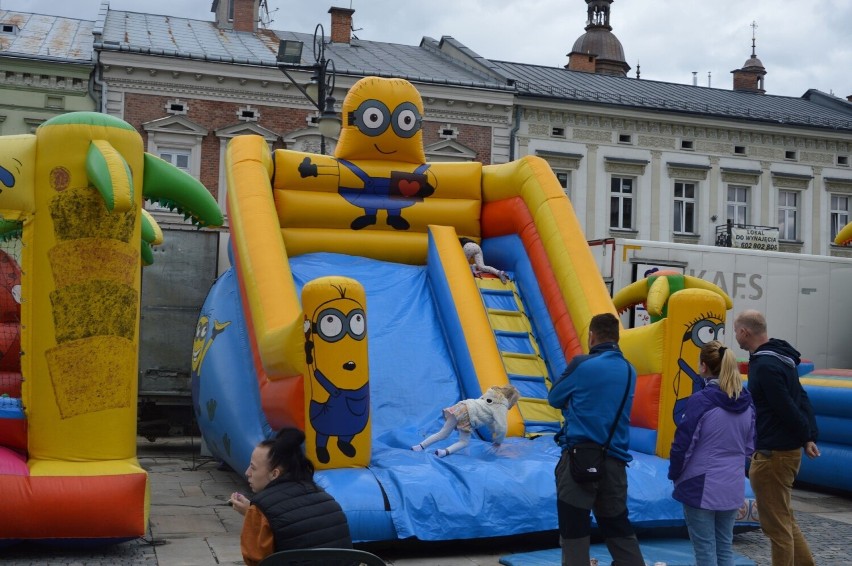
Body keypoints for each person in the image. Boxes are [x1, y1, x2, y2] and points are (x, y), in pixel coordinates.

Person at [548, 312, 644, 566]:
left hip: (579, 460)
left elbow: (554, 397)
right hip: (615, 462)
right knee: (618, 527)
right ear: (617, 336)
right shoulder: (629, 370)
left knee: (574, 531)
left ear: (591, 336)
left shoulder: (582, 364)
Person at [734, 310, 819, 566]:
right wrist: (808, 436)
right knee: (785, 520)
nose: (735, 336)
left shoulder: (764, 365)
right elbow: (801, 397)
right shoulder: (783, 358)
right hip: (787, 451)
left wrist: (806, 434)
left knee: (776, 528)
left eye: (736, 330)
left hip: (773, 454)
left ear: (745, 332)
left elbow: (785, 407)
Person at [668, 340, 755, 566]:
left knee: (705, 549)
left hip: (700, 484)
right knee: (724, 546)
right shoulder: (746, 402)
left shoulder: (702, 400)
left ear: (703, 366)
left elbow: (683, 445)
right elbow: (749, 446)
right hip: (732, 483)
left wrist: (674, 474)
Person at [229, 428, 352, 566]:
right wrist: (253, 513)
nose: (247, 472)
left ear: (275, 474)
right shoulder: (327, 499)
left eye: (253, 467)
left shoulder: (261, 510)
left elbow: (256, 562)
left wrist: (255, 515)